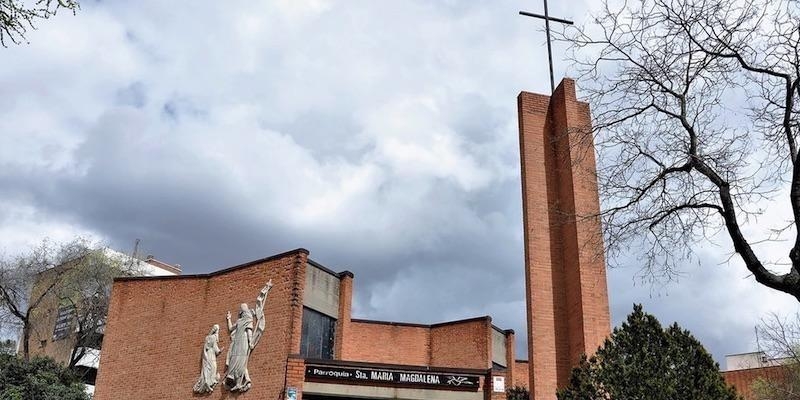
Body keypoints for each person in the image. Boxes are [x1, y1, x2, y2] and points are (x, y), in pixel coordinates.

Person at [224, 304, 254, 391]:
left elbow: (249, 332)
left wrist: (250, 342)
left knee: (241, 361)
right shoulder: (241, 320)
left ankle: (239, 381)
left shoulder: (247, 319)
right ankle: (236, 379)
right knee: (235, 360)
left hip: (242, 342)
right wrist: (229, 318)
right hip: (237, 342)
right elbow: (230, 329)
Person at [192, 324, 222, 393]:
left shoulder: (207, 337)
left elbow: (207, 347)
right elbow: (215, 348)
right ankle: (209, 382)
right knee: (213, 367)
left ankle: (208, 382)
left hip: (207, 355)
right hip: (211, 354)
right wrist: (219, 351)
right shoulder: (213, 337)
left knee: (209, 367)